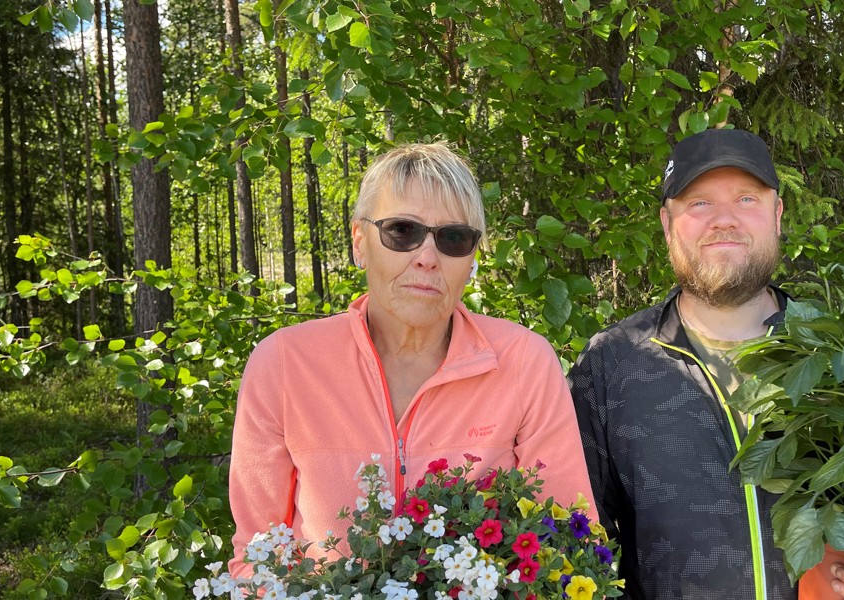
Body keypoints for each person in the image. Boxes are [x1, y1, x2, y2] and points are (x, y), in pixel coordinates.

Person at [568, 129, 844, 600]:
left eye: (746, 198)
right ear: (667, 223)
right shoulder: (612, 365)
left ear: (778, 215)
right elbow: (580, 545)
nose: (724, 220)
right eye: (699, 203)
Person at [229, 142, 593, 577]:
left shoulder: (524, 363)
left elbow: (569, 539)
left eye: (453, 238)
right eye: (402, 231)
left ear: (472, 257)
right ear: (359, 242)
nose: (426, 258)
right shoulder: (284, 364)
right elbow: (257, 558)